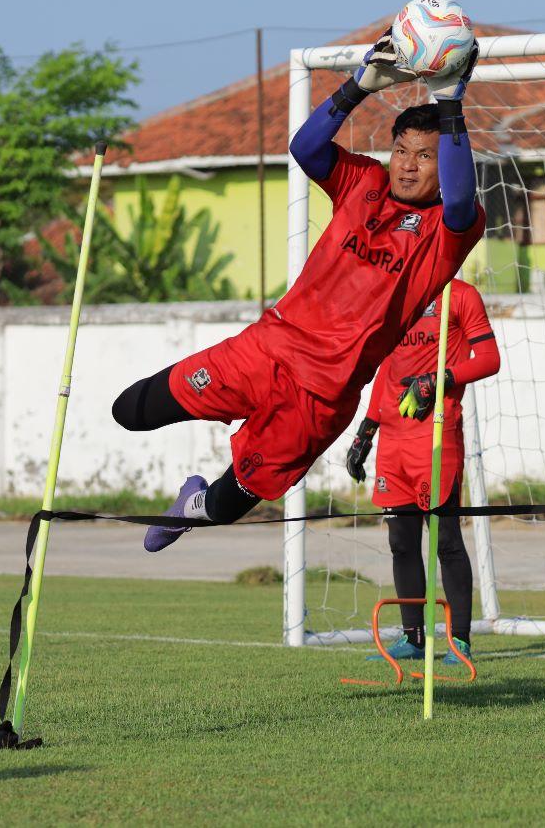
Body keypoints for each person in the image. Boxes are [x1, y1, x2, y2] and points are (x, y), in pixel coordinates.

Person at [111, 30, 485, 552]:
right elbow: (304, 148)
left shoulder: (448, 229)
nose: (407, 164)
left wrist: (450, 103)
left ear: (441, 166)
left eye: (424, 156)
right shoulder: (365, 182)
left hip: (321, 397)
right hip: (266, 349)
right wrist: (361, 85)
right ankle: (193, 476)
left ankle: (191, 506)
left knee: (226, 505)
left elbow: (463, 195)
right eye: (402, 150)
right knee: (129, 411)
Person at [345, 278, 500, 664]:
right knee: (401, 541)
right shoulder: (396, 294)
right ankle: (413, 638)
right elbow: (388, 367)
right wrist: (367, 430)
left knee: (445, 540)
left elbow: (490, 359)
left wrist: (441, 379)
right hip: (394, 441)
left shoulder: (461, 295)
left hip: (436, 435)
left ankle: (459, 641)